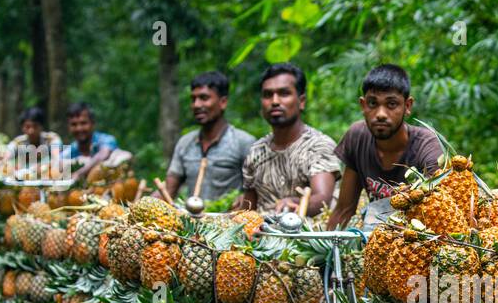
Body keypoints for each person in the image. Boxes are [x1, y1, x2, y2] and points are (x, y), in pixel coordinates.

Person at [325, 64, 444, 231]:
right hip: (376, 236)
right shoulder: (357, 137)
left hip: (416, 239)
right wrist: (330, 248)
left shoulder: (427, 146)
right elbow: (344, 209)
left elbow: (438, 213)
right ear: (363, 105)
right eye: (373, 103)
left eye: (391, 104)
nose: (380, 114)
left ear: (407, 106)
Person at [234, 63, 339, 215]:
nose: (275, 101)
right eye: (268, 95)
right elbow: (249, 209)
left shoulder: (318, 145)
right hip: (260, 235)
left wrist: (296, 203)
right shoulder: (256, 152)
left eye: (284, 93)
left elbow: (322, 199)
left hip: (304, 236)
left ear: (301, 101)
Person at [164, 71, 255, 204]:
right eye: (193, 99)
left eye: (204, 98)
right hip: (192, 221)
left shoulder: (243, 142)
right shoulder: (185, 143)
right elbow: (167, 191)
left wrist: (244, 199)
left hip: (230, 222)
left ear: (223, 102)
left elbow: (258, 190)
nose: (196, 105)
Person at [2, 106, 63, 176]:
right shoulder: (18, 142)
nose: (31, 131)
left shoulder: (51, 139)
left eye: (35, 126)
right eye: (27, 127)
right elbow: (5, 158)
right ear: (22, 127)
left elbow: (57, 159)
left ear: (41, 126)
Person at [65, 102, 119, 182]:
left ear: (92, 124)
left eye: (83, 123)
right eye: (74, 124)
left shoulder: (106, 140)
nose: (79, 128)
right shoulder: (70, 150)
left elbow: (103, 154)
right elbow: (56, 162)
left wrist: (79, 174)